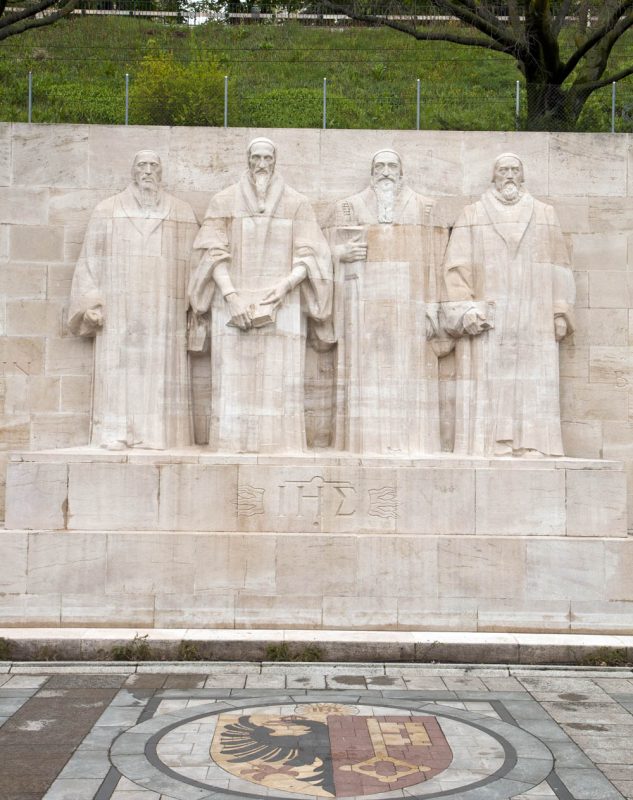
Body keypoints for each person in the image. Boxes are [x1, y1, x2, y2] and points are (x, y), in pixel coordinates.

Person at [187, 137, 333, 453]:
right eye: (256, 158)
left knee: (280, 388)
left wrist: (282, 289)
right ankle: (230, 448)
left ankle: (281, 448)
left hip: (284, 303)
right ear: (248, 160)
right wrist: (231, 296)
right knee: (232, 389)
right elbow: (212, 251)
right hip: (231, 305)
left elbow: (311, 255)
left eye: (267, 158)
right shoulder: (223, 200)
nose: (262, 164)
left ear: (275, 161)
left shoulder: (297, 203)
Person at [442, 153, 575, 457]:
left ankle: (535, 444)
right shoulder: (472, 214)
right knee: (491, 379)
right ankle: (492, 444)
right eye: (503, 170)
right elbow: (456, 268)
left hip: (534, 314)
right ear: (494, 177)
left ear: (523, 176)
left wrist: (560, 312)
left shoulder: (544, 214)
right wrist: (466, 311)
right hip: (491, 316)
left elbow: (560, 267)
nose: (510, 175)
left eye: (515, 170)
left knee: (534, 380)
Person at [69, 150, 198, 450]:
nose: (148, 171)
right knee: (118, 369)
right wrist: (90, 304)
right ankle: (115, 431)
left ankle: (158, 434)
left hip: (165, 311)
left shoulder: (181, 212)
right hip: (119, 309)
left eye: (154, 165)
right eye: (142, 165)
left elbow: (197, 262)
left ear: (162, 172)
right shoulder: (107, 210)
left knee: (160, 369)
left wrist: (196, 307)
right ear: (133, 171)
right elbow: (90, 260)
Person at [325, 149, 446, 454]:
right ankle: (363, 444)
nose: (386, 171)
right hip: (361, 309)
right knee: (364, 378)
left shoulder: (425, 209)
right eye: (379, 166)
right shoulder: (347, 208)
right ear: (371, 173)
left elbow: (436, 262)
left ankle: (412, 444)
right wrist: (339, 254)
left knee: (411, 378)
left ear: (402, 173)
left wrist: (433, 307)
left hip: (410, 309)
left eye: (392, 166)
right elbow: (319, 252)